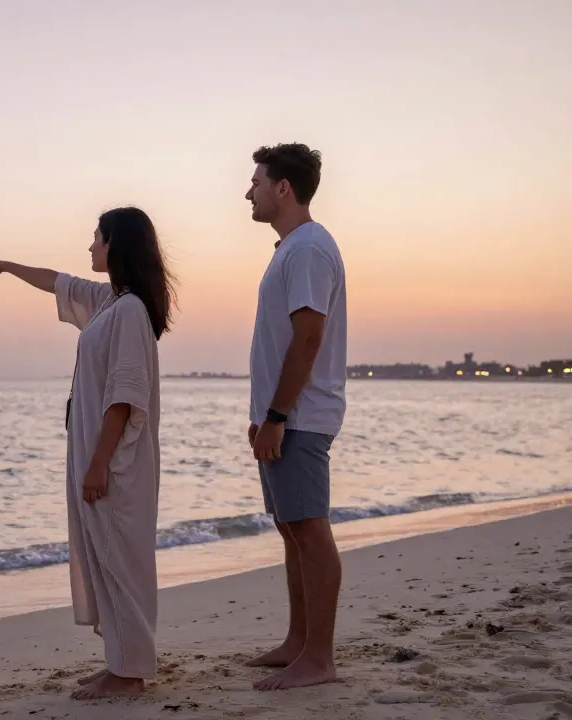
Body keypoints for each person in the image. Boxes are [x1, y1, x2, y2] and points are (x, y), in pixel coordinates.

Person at [0, 207, 176, 700]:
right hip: (97, 454)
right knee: (105, 556)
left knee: (118, 559)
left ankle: (128, 675)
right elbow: (57, 281)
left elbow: (124, 395)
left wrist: (100, 463)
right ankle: (121, 663)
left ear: (115, 244)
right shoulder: (110, 301)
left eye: (96, 238)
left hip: (116, 461)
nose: (89, 246)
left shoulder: (129, 311)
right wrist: (6, 266)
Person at [242, 143, 347, 691]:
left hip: (300, 416)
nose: (248, 192)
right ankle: (298, 642)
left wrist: (279, 414)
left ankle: (319, 658)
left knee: (308, 528)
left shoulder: (308, 248)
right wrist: (263, 414)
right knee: (291, 528)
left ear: (283, 188)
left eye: (256, 182)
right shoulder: (292, 248)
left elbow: (308, 337)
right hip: (283, 415)